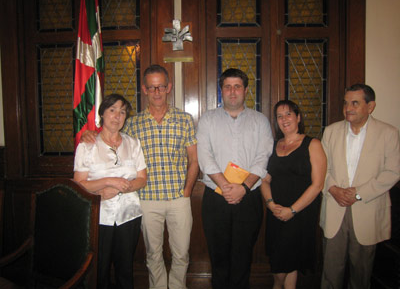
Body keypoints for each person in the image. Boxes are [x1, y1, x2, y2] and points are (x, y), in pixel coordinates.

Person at [81, 64, 199, 289]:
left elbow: (193, 161)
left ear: (169, 87)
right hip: (146, 198)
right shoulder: (132, 123)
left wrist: (187, 191)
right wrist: (90, 133)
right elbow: (111, 136)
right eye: (151, 87)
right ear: (144, 90)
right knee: (153, 255)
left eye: (161, 87)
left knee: (181, 253)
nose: (157, 92)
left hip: (178, 198)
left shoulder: (184, 119)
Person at [196, 68, 274, 289]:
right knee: (218, 257)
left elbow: (263, 157)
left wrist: (243, 188)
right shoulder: (208, 119)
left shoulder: (260, 121)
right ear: (221, 91)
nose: (232, 91)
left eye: (237, 86)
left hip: (248, 199)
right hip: (215, 199)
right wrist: (226, 186)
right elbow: (204, 156)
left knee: (243, 256)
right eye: (227, 86)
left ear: (246, 90)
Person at [320, 84, 400, 289]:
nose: (348, 108)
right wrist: (333, 189)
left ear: (370, 106)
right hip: (334, 210)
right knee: (330, 273)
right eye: (346, 103)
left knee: (361, 276)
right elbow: (321, 168)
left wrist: (358, 193)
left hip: (367, 209)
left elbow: (393, 172)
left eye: (355, 103)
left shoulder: (388, 133)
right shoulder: (330, 132)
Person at [74, 94, 147, 289]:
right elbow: (79, 184)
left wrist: (125, 186)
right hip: (99, 216)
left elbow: (142, 179)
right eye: (112, 110)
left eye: (122, 112)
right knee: (99, 269)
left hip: (129, 215)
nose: (117, 116)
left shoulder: (133, 143)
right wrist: (106, 184)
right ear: (102, 115)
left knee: (125, 269)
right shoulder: (87, 145)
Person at [261, 100, 326, 289]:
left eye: (288, 114)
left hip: (300, 213)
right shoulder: (273, 146)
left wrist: (293, 210)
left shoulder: (312, 144)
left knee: (286, 262)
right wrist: (271, 204)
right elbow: (265, 180)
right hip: (276, 212)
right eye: (279, 116)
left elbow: (318, 184)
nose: (284, 119)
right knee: (284, 263)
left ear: (298, 117)